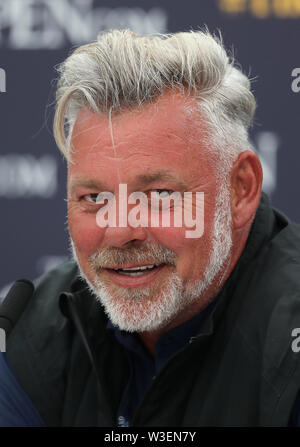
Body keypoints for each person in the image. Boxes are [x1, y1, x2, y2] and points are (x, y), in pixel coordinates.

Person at [2, 29, 300, 427]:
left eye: (158, 194)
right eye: (94, 198)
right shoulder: (30, 332)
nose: (121, 229)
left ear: (240, 189)